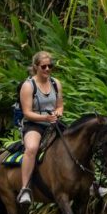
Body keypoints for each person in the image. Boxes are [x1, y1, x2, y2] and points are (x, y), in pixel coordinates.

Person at [17, 51, 64, 205]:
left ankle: (92, 183)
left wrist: (58, 112)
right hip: (34, 124)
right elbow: (27, 113)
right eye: (44, 66)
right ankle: (25, 189)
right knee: (31, 148)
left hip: (53, 122)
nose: (47, 69)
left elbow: (60, 105)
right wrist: (45, 117)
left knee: (80, 140)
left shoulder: (56, 83)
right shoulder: (28, 86)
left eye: (50, 66)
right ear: (36, 67)